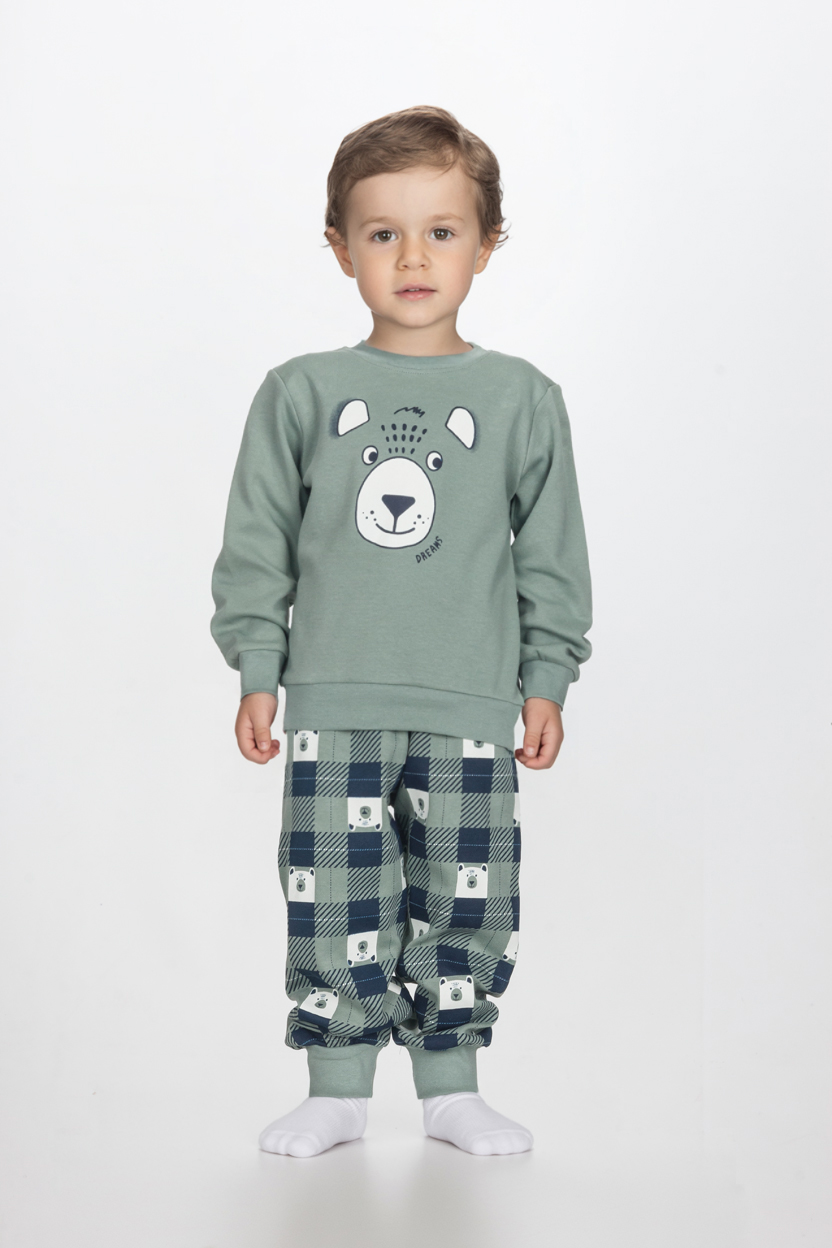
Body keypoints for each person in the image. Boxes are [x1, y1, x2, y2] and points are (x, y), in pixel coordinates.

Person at [210, 105, 592, 1158]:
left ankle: (450, 1087)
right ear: (341, 247)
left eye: (441, 231)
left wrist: (547, 679)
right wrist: (257, 667)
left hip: (472, 703)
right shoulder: (301, 392)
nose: (413, 257)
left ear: (486, 244)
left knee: (467, 901)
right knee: (333, 898)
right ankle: (335, 1089)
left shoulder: (520, 399)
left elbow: (551, 556)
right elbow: (258, 545)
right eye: (383, 233)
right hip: (333, 700)